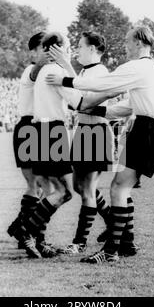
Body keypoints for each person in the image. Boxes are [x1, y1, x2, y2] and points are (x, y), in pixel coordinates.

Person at [46, 26, 154, 264]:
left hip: (145, 130)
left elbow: (103, 84)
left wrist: (64, 79)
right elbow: (125, 106)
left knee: (118, 189)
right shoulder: (150, 70)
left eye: (127, 41)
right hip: (145, 128)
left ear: (139, 43)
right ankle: (126, 244)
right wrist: (98, 109)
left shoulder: (138, 67)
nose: (124, 45)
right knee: (122, 187)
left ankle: (111, 250)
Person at [18, 31, 115, 259]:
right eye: (70, 46)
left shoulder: (45, 70)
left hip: (41, 131)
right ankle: (26, 231)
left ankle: (34, 235)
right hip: (53, 132)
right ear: (57, 49)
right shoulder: (57, 71)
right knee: (66, 192)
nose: (72, 50)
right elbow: (78, 102)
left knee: (69, 189)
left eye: (77, 45)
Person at [47, 32, 113, 255]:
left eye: (81, 47)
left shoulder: (101, 71)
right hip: (84, 131)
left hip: (95, 132)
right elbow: (78, 96)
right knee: (79, 187)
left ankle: (79, 243)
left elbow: (83, 100)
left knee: (87, 191)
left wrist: (65, 64)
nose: (77, 50)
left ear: (94, 48)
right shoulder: (85, 71)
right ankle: (114, 224)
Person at [7, 32, 55, 258]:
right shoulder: (31, 69)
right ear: (33, 52)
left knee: (40, 185)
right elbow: (36, 73)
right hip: (28, 127)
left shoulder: (44, 70)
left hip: (36, 126)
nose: (46, 52)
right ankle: (30, 235)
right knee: (37, 184)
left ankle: (25, 232)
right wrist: (46, 60)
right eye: (42, 49)